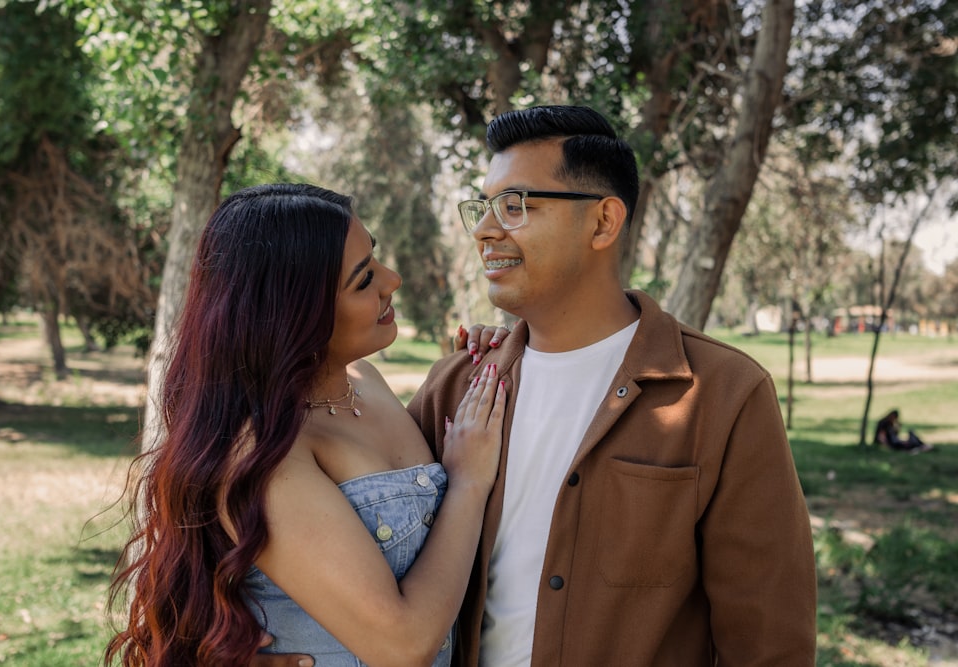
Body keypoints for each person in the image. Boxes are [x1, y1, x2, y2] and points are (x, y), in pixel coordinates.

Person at [256, 105, 818, 666]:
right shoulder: (457, 385)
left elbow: (768, 639)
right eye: (483, 207)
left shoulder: (721, 394)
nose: (484, 230)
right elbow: (345, 538)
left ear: (603, 222)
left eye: (515, 206)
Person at [104, 183, 508, 666]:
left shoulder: (367, 382)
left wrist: (486, 354)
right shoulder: (266, 456)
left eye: (375, 259)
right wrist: (466, 484)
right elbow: (403, 645)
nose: (392, 280)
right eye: (363, 280)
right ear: (293, 313)